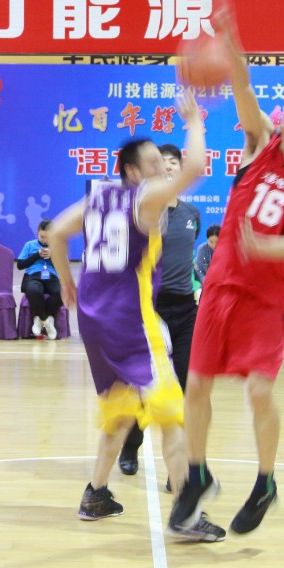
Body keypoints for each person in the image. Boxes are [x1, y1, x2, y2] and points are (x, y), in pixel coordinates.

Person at [168, 5, 284, 540]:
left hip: (265, 295)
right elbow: (241, 82)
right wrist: (230, 36)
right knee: (196, 384)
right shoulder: (261, 139)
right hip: (220, 284)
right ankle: (197, 474)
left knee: (259, 391)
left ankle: (265, 482)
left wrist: (265, 245)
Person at [46, 92, 222, 540]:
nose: (164, 168)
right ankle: (185, 511)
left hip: (94, 321)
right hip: (131, 320)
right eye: (154, 163)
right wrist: (194, 121)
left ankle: (96, 494)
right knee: (173, 413)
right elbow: (195, 170)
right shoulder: (145, 198)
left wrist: (67, 281)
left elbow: (57, 233)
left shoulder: (98, 197)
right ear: (133, 172)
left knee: (121, 411)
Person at [118, 141, 203, 475]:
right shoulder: (145, 211)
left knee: (182, 386)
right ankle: (131, 445)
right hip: (150, 310)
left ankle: (177, 471)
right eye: (162, 162)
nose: (168, 167)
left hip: (184, 310)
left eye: (173, 162)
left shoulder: (192, 214)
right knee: (144, 385)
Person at [16, 219, 62, 339]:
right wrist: (36, 255)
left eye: (48, 237)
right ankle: (47, 322)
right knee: (33, 290)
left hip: (51, 276)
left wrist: (53, 256)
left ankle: (40, 319)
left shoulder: (58, 245)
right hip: (34, 275)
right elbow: (20, 265)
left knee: (61, 292)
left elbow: (63, 267)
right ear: (37, 233)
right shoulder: (29, 245)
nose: (44, 240)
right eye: (42, 237)